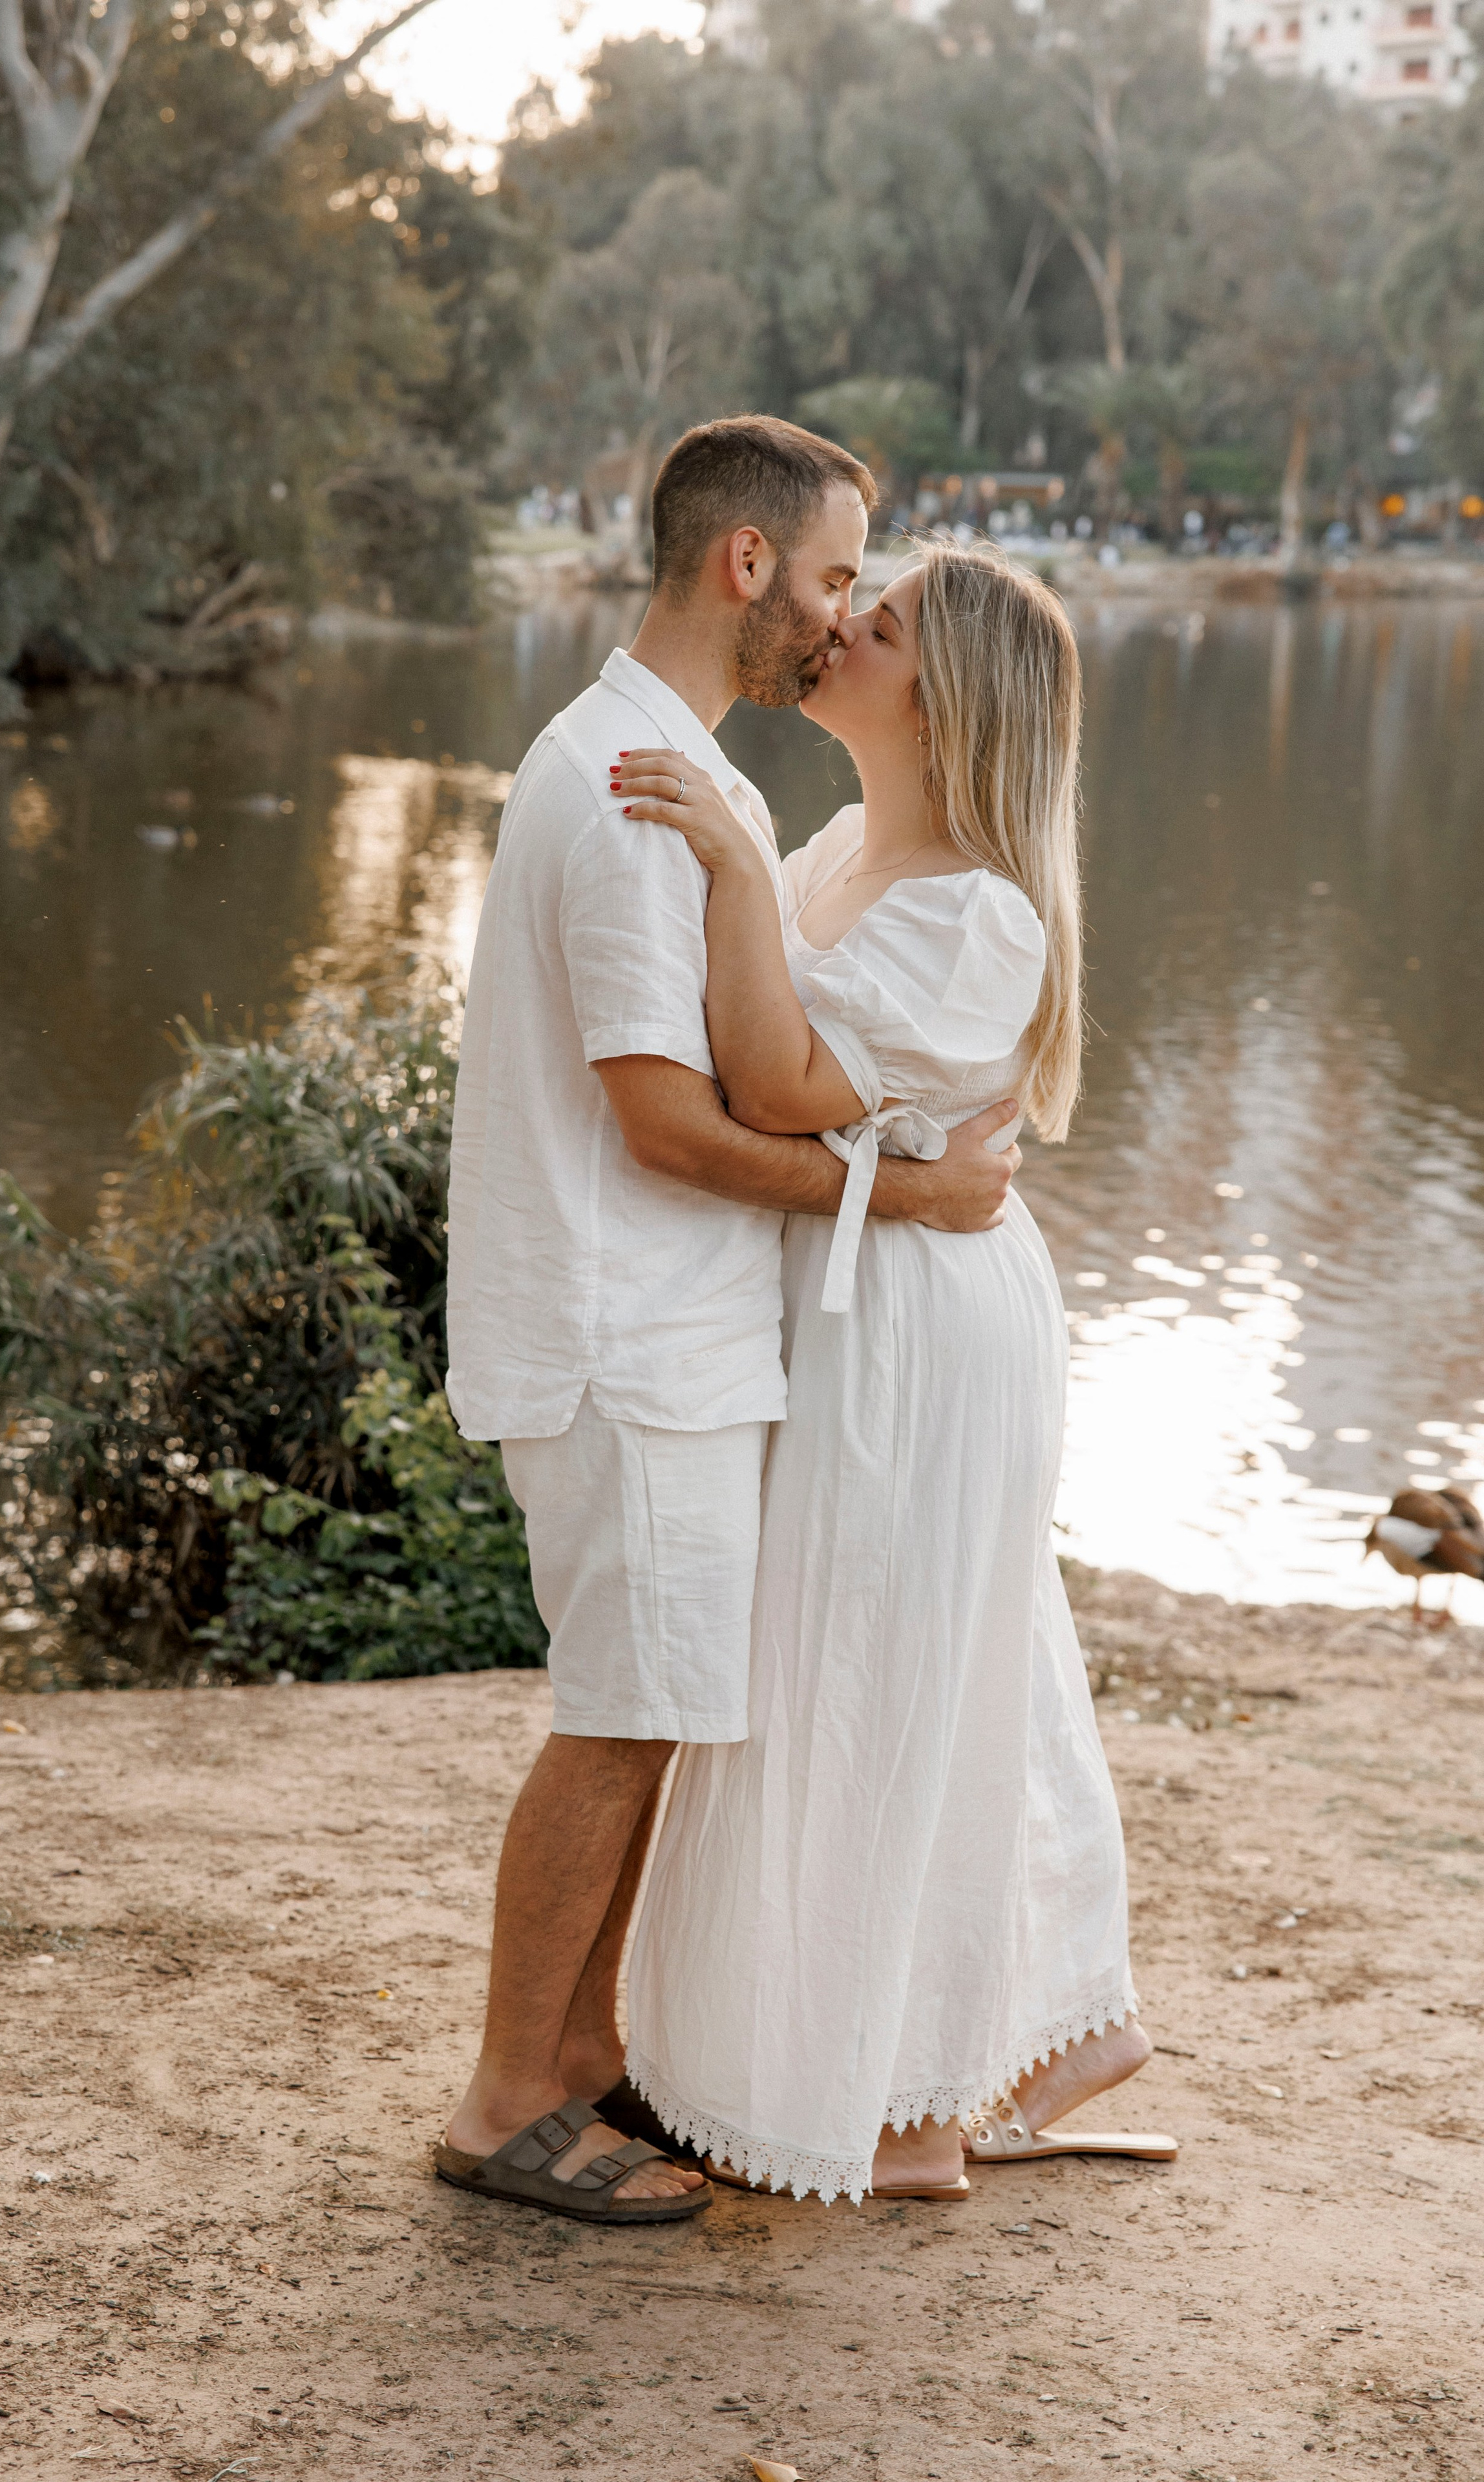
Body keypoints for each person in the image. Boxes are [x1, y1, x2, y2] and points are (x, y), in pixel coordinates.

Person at [434, 419, 1024, 2223]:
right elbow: (665, 1119)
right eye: (840, 575)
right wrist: (906, 1193)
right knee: (619, 1716)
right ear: (748, 567)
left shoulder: (674, 767)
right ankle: (506, 2102)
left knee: (665, 1702)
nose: (842, 616)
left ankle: (589, 2056)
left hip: (676, 1338)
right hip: (627, 1338)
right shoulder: (630, 783)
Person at [615, 538, 1177, 2204]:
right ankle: (931, 2072)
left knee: (882, 1668)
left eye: (876, 620)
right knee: (881, 1664)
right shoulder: (854, 841)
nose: (835, 627)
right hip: (866, 1290)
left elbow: (778, 1078)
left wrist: (725, 860)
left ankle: (909, 2094)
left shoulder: (982, 917)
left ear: (944, 702)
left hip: (923, 1328)